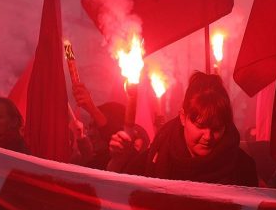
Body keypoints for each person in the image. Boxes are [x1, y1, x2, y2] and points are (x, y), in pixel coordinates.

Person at [108, 72, 258, 186]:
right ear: (183, 117)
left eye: (217, 128)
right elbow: (117, 188)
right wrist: (118, 160)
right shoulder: (158, 154)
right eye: (200, 126)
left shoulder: (242, 167)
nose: (208, 136)